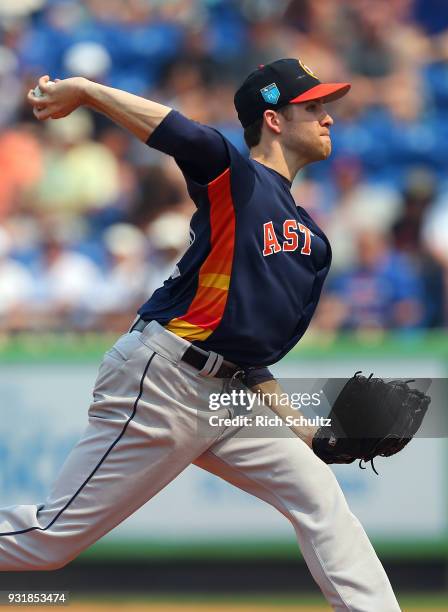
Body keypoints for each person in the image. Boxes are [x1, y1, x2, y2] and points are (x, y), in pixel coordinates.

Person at [4, 58, 400, 611]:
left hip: (228, 393)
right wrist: (89, 92)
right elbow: (179, 133)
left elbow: (248, 354)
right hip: (165, 382)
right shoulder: (236, 180)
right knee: (47, 544)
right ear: (275, 120)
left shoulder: (309, 236)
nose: (328, 118)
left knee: (321, 500)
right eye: (312, 107)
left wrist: (308, 433)